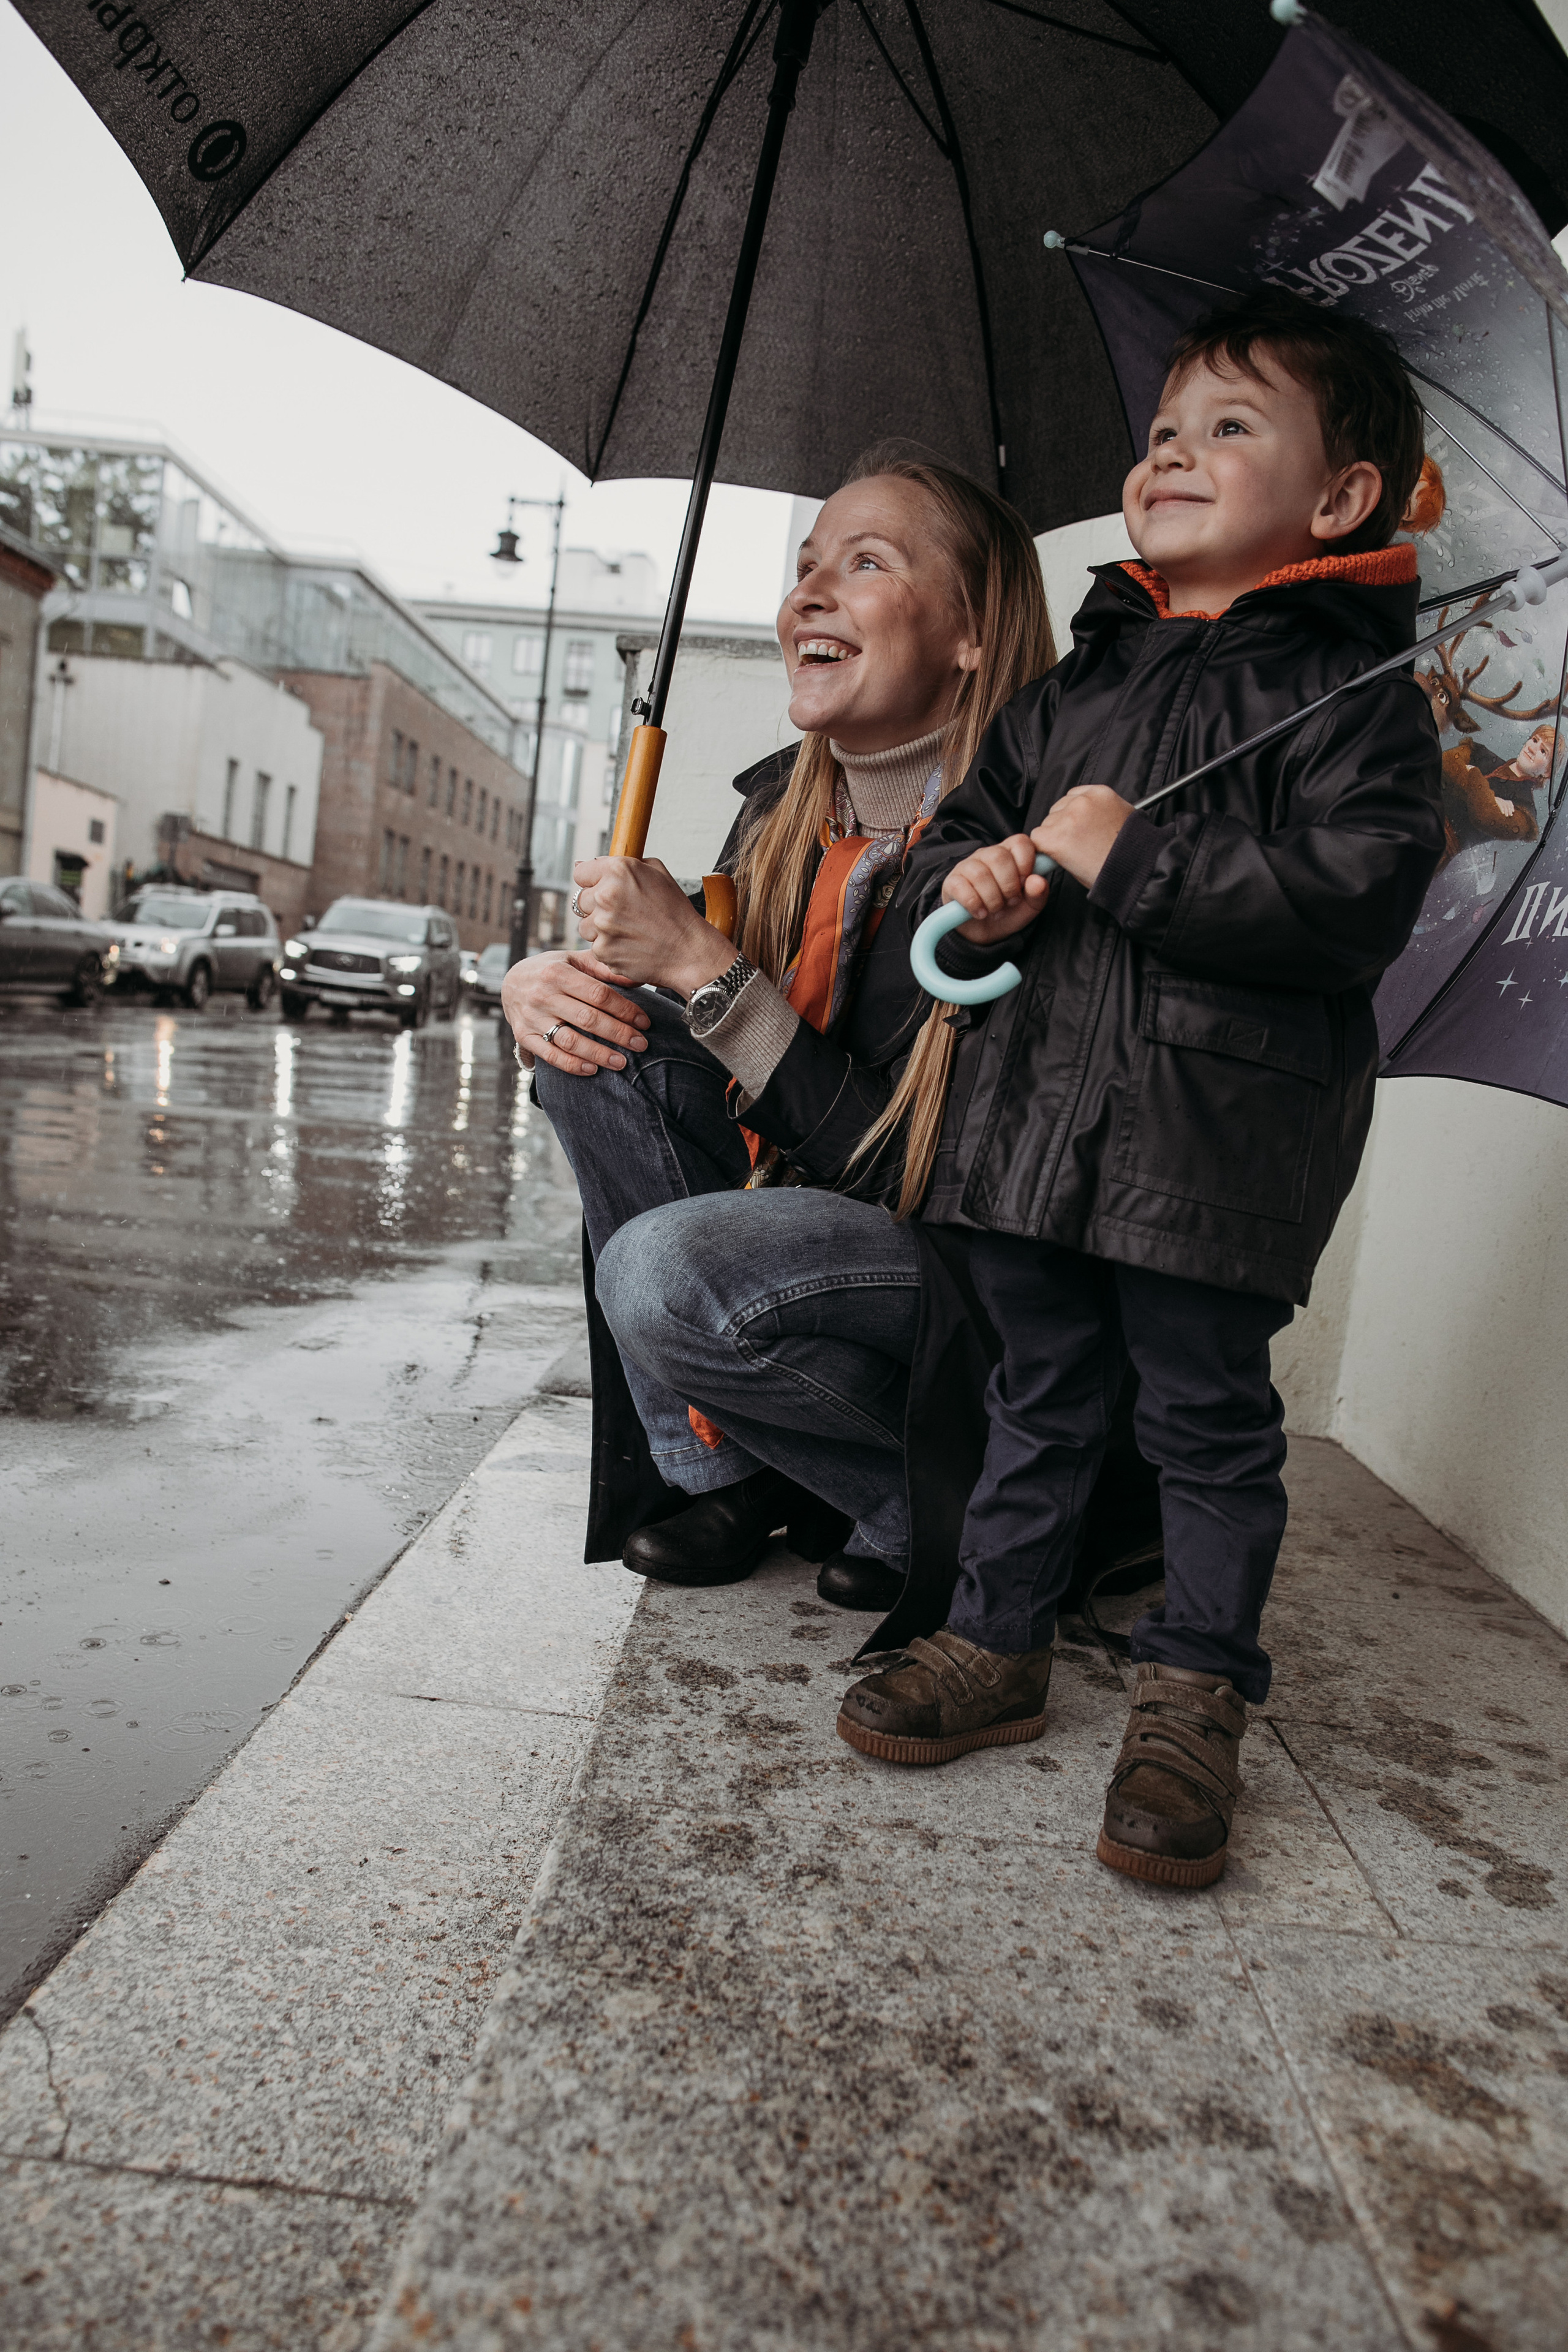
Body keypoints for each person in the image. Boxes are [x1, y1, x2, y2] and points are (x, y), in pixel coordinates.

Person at [827, 291, 1444, 1888]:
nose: (1175, 452)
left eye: (1232, 428)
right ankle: (997, 1639)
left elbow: (1351, 902)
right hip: (1034, 1125)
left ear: (1341, 500)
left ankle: (1192, 1692)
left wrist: (1136, 852)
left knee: (1206, 1421)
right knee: (1037, 1393)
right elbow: (950, 847)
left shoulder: (1354, 702)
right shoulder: (1071, 686)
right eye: (1165, 429)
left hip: (1213, 1141)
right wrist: (987, 886)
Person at [511, 454, 1159, 1621]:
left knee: (661, 1274)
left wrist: (708, 972)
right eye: (806, 565)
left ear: (971, 632)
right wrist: (547, 992)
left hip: (969, 1277)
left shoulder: (1022, 857)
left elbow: (915, 1171)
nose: (809, 591)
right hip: (809, 1245)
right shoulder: (782, 819)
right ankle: (730, 1472)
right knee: (590, 1060)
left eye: (865, 564)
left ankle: (949, 1511)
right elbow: (692, 1078)